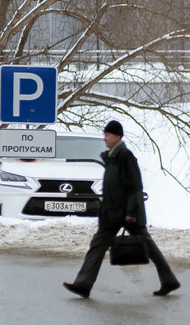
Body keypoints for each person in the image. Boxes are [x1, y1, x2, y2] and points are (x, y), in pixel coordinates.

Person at [64, 121, 180, 298]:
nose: (105, 138)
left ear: (117, 136)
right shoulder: (112, 157)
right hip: (113, 213)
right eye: (105, 135)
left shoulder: (125, 156)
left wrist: (132, 212)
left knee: (148, 246)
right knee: (97, 246)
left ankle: (169, 280)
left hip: (125, 213)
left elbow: (135, 185)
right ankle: (83, 284)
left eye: (108, 135)